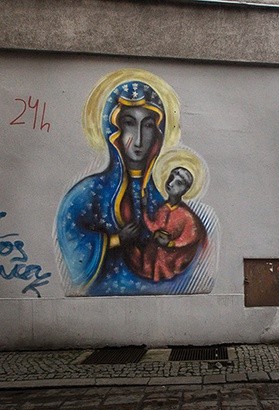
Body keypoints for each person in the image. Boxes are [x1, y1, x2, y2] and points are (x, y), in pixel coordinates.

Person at [55, 69, 214, 296]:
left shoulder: (167, 202)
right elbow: (73, 242)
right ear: (114, 130)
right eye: (129, 123)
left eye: (148, 125)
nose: (138, 139)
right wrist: (115, 240)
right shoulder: (88, 194)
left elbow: (194, 252)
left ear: (158, 134)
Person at [133, 166, 207, 281]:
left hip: (170, 257)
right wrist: (144, 207)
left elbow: (190, 237)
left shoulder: (187, 216)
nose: (171, 184)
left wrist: (170, 243)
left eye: (178, 183)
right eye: (170, 178)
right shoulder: (162, 209)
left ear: (185, 190)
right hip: (154, 252)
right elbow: (154, 227)